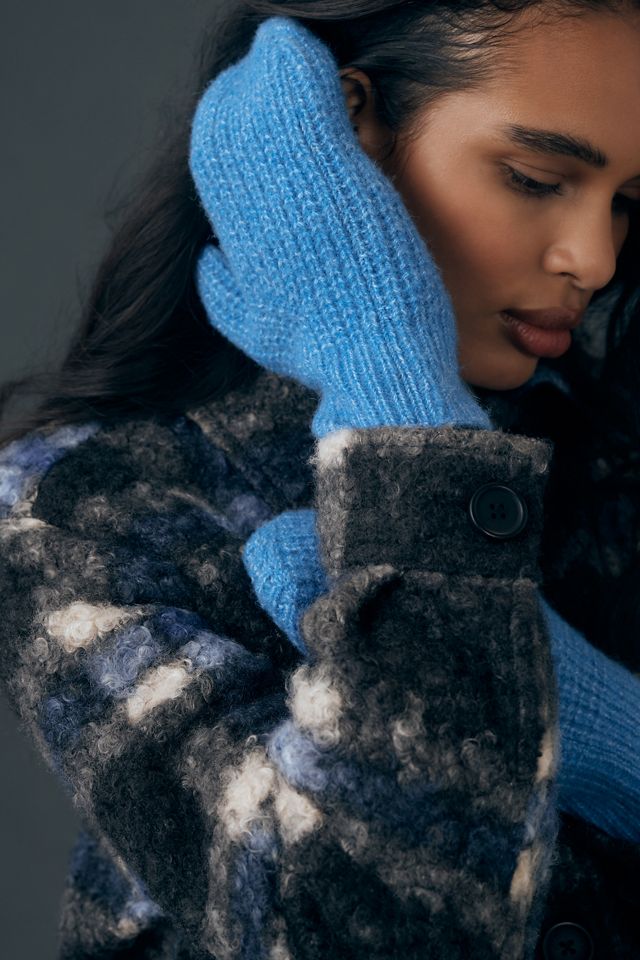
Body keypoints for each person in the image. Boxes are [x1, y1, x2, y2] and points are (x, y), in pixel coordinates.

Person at [0, 2, 639, 957]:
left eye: (628, 202)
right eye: (535, 178)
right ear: (347, 131)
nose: (595, 258)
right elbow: (359, 929)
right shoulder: (85, 508)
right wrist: (391, 385)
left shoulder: (612, 454)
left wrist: (617, 744)